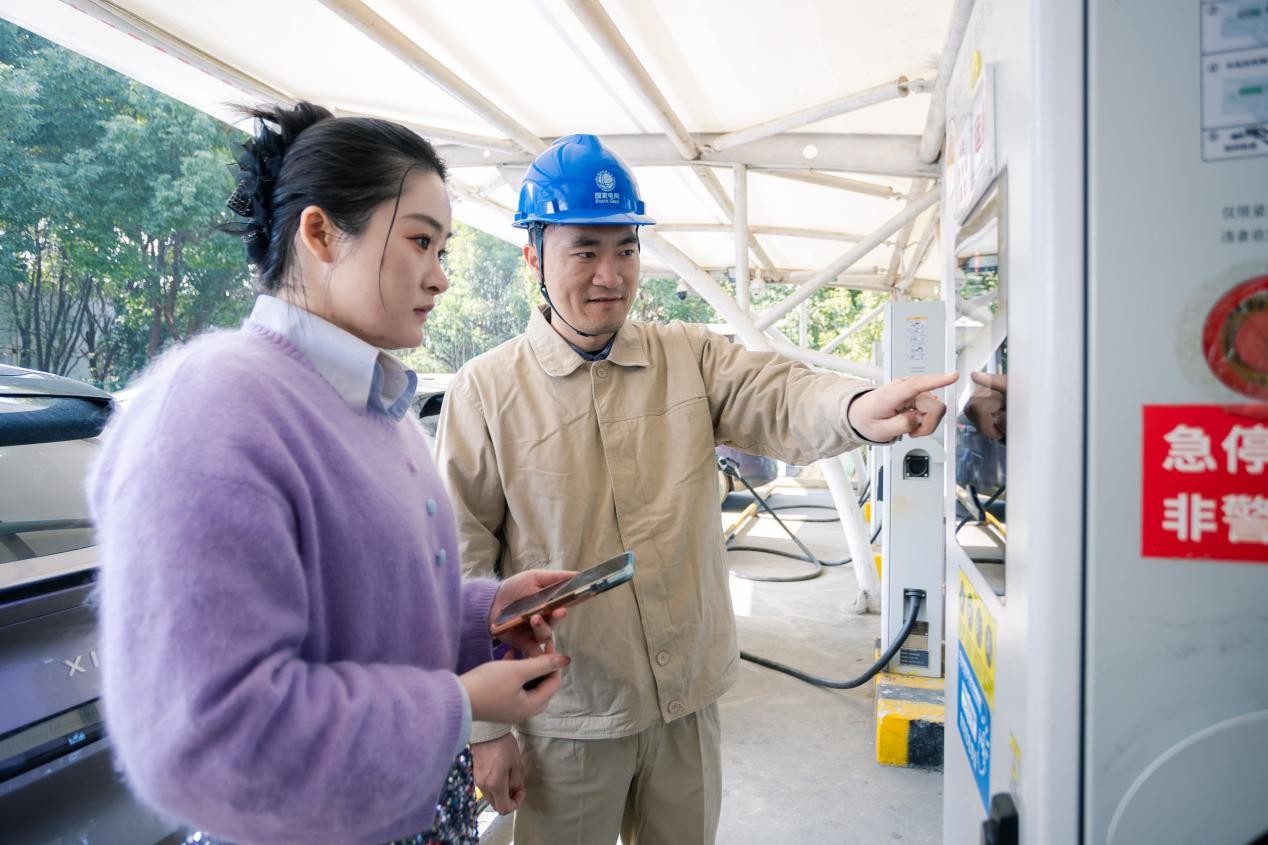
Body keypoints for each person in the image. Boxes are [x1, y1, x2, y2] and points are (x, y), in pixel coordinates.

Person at [436, 133, 957, 844]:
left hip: (686, 703)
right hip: (568, 715)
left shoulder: (687, 355)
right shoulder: (486, 392)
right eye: (585, 250)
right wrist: (486, 728)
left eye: (626, 249)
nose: (610, 274)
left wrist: (856, 408)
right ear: (534, 253)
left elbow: (778, 393)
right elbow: (460, 565)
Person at [89, 102, 575, 845]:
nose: (441, 278)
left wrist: (483, 616)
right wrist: (455, 705)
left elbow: (361, 610)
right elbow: (210, 733)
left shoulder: (372, 402)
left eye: (442, 249)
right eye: (421, 241)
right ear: (319, 233)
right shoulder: (212, 406)